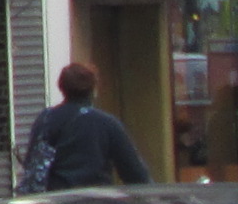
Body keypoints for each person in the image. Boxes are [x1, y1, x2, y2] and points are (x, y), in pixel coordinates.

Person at [18, 63, 154, 191]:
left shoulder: (45, 118)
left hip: (55, 200)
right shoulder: (106, 123)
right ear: (94, 90)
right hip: (93, 200)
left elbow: (32, 161)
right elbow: (135, 173)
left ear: (61, 88)